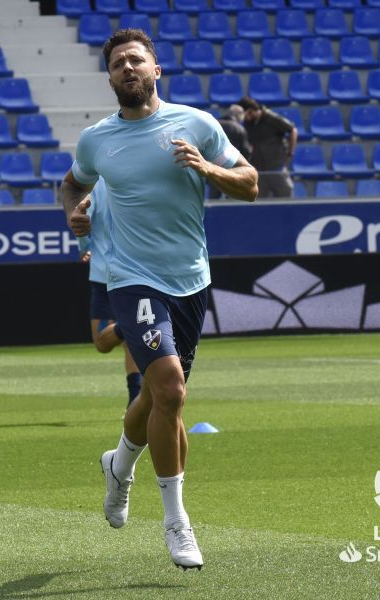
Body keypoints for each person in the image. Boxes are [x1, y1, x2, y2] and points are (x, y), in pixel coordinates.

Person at [59, 29, 258, 570]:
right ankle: (176, 521)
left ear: (156, 70)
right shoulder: (96, 140)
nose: (128, 67)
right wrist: (78, 227)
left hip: (189, 278)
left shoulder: (196, 124)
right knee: (170, 388)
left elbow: (250, 181)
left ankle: (119, 465)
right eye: (119, 62)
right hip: (130, 277)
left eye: (137, 60)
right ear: (109, 76)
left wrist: (207, 167)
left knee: (157, 399)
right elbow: (72, 186)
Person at [78, 178, 142, 409]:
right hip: (135, 271)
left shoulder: (97, 185)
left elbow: (81, 216)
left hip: (105, 272)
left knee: (104, 342)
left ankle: (135, 399)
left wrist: (84, 246)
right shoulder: (140, 179)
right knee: (110, 341)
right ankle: (132, 324)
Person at [237, 96, 296, 198]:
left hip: (276, 168)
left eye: (244, 115)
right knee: (259, 202)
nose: (243, 118)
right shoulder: (248, 124)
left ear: (251, 111)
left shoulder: (271, 118)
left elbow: (292, 130)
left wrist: (290, 152)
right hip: (258, 169)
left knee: (286, 199)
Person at [209, 104, 252, 199]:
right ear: (239, 115)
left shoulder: (215, 124)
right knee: (232, 195)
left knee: (214, 195)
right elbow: (246, 151)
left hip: (214, 164)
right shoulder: (239, 129)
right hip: (232, 167)